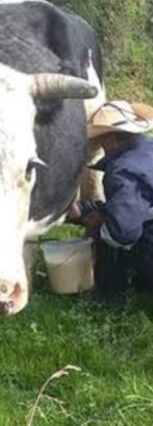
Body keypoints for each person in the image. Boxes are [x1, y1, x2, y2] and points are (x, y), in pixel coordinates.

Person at [67, 100, 153, 303]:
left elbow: (122, 233)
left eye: (102, 141)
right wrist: (86, 211)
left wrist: (98, 230)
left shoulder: (122, 170)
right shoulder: (147, 150)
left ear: (113, 140)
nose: (101, 147)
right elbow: (137, 204)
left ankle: (110, 298)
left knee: (111, 237)